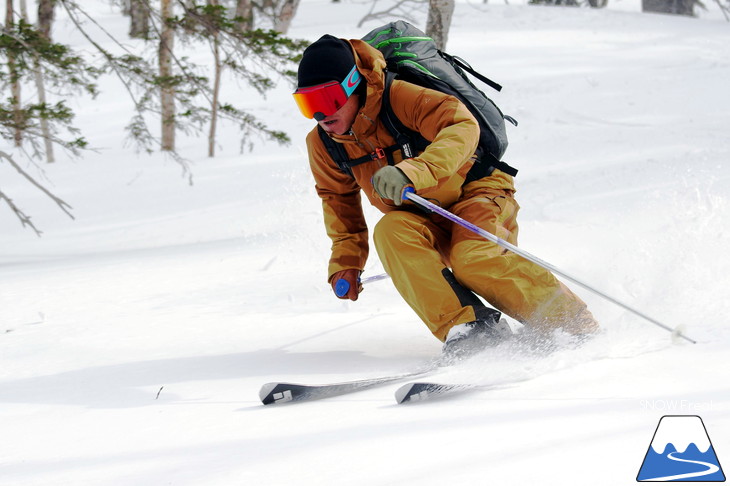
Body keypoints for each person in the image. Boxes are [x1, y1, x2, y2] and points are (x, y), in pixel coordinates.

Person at [293, 34, 599, 357]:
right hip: (423, 215)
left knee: (473, 260)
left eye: (327, 99)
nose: (320, 116)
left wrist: (412, 172)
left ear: (354, 84)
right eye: (308, 105)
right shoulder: (324, 145)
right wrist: (347, 260)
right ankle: (472, 329)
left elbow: (462, 126)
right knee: (391, 232)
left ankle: (572, 323)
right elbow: (336, 199)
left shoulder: (398, 97)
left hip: (478, 189)